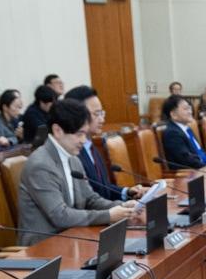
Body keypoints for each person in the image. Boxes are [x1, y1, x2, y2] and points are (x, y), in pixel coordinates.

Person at [16, 99, 140, 245]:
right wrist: (108, 215)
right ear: (57, 130)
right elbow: (60, 216)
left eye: (85, 134)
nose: (83, 140)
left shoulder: (72, 157)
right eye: (79, 134)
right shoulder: (41, 165)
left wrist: (120, 207)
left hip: (72, 236)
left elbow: (91, 199)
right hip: (43, 245)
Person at [66, 85, 147, 201]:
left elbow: (103, 188)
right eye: (96, 114)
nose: (102, 120)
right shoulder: (72, 153)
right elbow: (89, 199)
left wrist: (128, 192)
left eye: (102, 113)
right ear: (76, 114)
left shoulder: (92, 147)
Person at [160, 94, 206, 169]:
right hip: (189, 174)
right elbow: (187, 161)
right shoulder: (172, 133)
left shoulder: (187, 129)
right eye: (185, 109)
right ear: (173, 114)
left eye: (190, 108)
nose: (190, 112)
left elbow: (200, 153)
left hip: (202, 168)